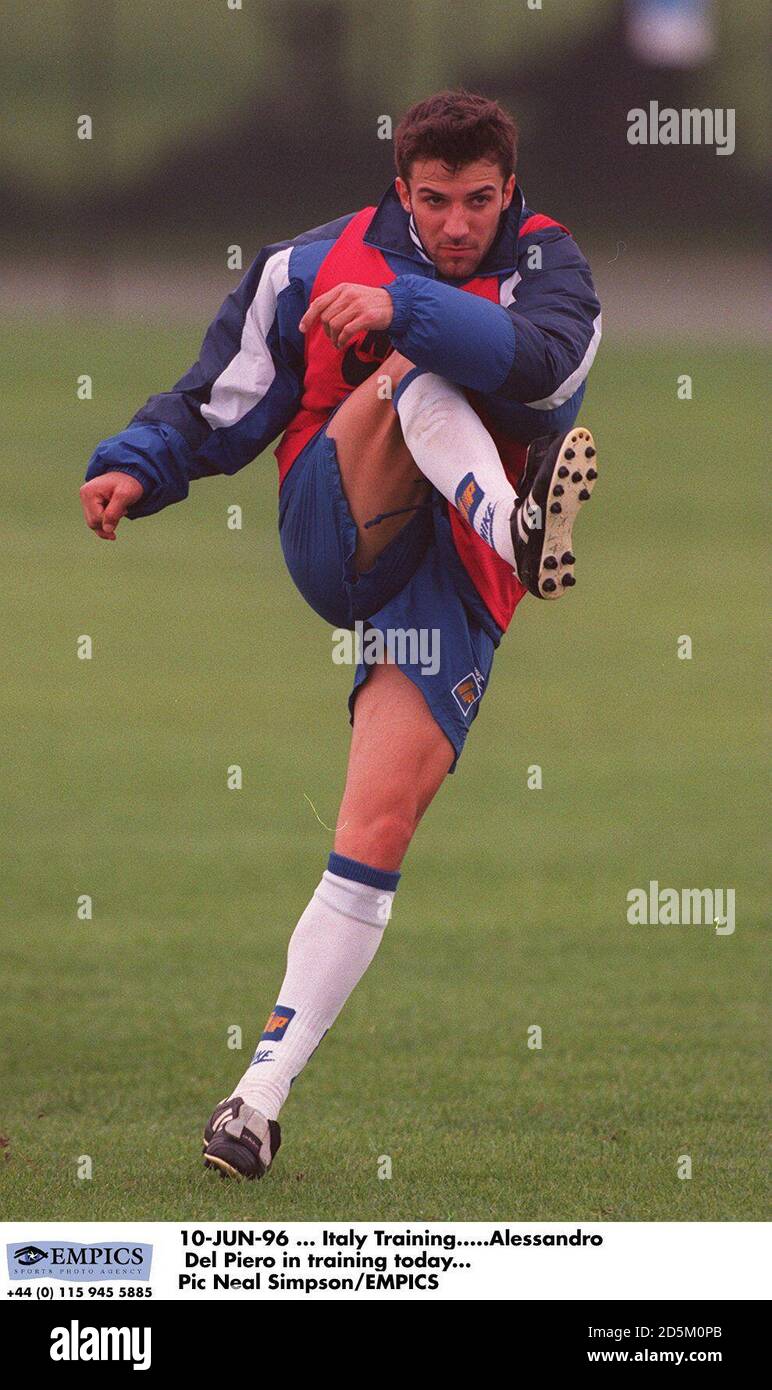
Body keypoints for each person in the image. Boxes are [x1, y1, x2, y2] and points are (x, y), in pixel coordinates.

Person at [80, 90, 602, 1180]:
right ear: (400, 189)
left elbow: (546, 368)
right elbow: (217, 403)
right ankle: (519, 522)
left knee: (376, 832)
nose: (457, 224)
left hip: (454, 586)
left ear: (510, 192)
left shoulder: (555, 271)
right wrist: (135, 460)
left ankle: (255, 1096)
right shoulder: (307, 266)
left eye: (476, 202)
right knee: (413, 370)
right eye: (433, 201)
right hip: (341, 522)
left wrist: (398, 303)